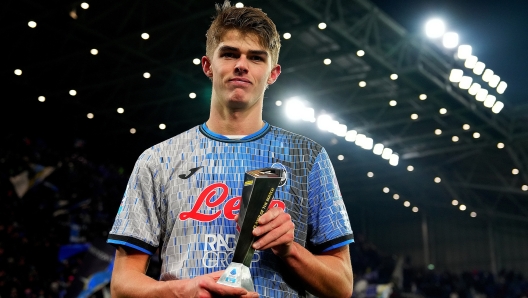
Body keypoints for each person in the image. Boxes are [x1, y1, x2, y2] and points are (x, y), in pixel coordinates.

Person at [107, 1, 354, 297]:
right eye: (229, 53)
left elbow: (342, 286)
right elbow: (122, 284)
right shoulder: (158, 159)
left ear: (273, 74)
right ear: (208, 66)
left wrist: (290, 250)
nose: (241, 64)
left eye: (256, 57)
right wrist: (187, 289)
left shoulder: (308, 157)